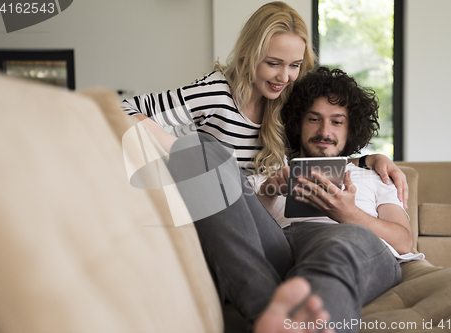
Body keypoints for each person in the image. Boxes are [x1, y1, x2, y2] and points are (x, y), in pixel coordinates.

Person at [164, 66, 422, 333]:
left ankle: (290, 318)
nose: (325, 131)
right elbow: (239, 231)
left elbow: (404, 241)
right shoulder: (268, 175)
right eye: (314, 119)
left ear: (350, 129)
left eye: (336, 121)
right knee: (197, 148)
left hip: (354, 248)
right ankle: (276, 317)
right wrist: (268, 192)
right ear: (298, 123)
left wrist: (350, 215)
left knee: (342, 241)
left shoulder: (373, 175)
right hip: (282, 250)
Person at [121, 1, 408, 201]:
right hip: (215, 211)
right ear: (249, 54)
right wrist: (179, 150)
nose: (284, 76)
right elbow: (119, 108)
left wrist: (370, 159)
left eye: (295, 65)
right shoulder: (216, 93)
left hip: (261, 216)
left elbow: (312, 157)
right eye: (273, 63)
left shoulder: (285, 101)